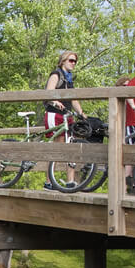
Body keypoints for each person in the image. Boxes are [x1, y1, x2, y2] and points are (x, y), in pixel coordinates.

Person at [44, 51, 85, 189]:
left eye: (75, 61)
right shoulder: (56, 74)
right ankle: (49, 181)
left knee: (71, 146)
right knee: (58, 146)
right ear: (63, 61)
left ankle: (70, 180)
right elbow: (49, 91)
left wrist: (81, 112)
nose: (73, 63)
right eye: (71, 60)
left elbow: (73, 99)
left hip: (67, 114)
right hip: (55, 113)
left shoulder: (69, 79)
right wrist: (55, 101)